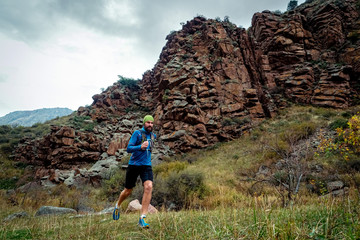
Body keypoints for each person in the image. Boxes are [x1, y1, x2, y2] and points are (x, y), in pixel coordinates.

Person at [113, 115, 156, 228]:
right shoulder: (137, 133)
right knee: (128, 191)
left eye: (151, 123)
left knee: (148, 186)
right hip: (134, 165)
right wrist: (140, 147)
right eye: (148, 123)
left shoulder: (152, 135)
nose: (150, 125)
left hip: (146, 166)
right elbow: (129, 148)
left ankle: (142, 218)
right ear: (144, 123)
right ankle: (117, 205)